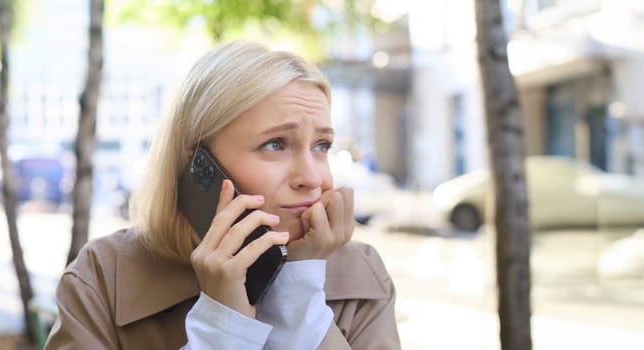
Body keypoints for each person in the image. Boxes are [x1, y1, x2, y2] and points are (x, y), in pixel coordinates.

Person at [45, 41, 400, 349]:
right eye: (275, 144)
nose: (313, 177)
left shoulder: (362, 274)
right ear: (199, 166)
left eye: (322, 145)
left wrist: (298, 299)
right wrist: (221, 329)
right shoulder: (104, 277)